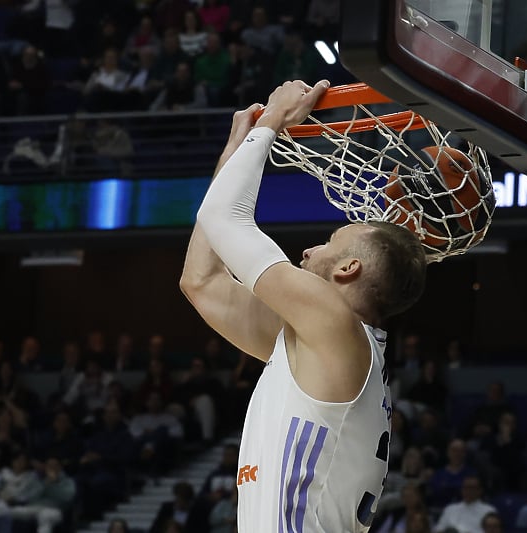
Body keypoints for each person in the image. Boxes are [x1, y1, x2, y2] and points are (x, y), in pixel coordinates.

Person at [179, 79, 428, 532]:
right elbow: (203, 281)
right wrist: (233, 153)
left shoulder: (335, 323)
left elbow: (223, 218)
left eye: (330, 241)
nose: (309, 251)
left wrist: (273, 120)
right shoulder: (320, 343)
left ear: (349, 268)